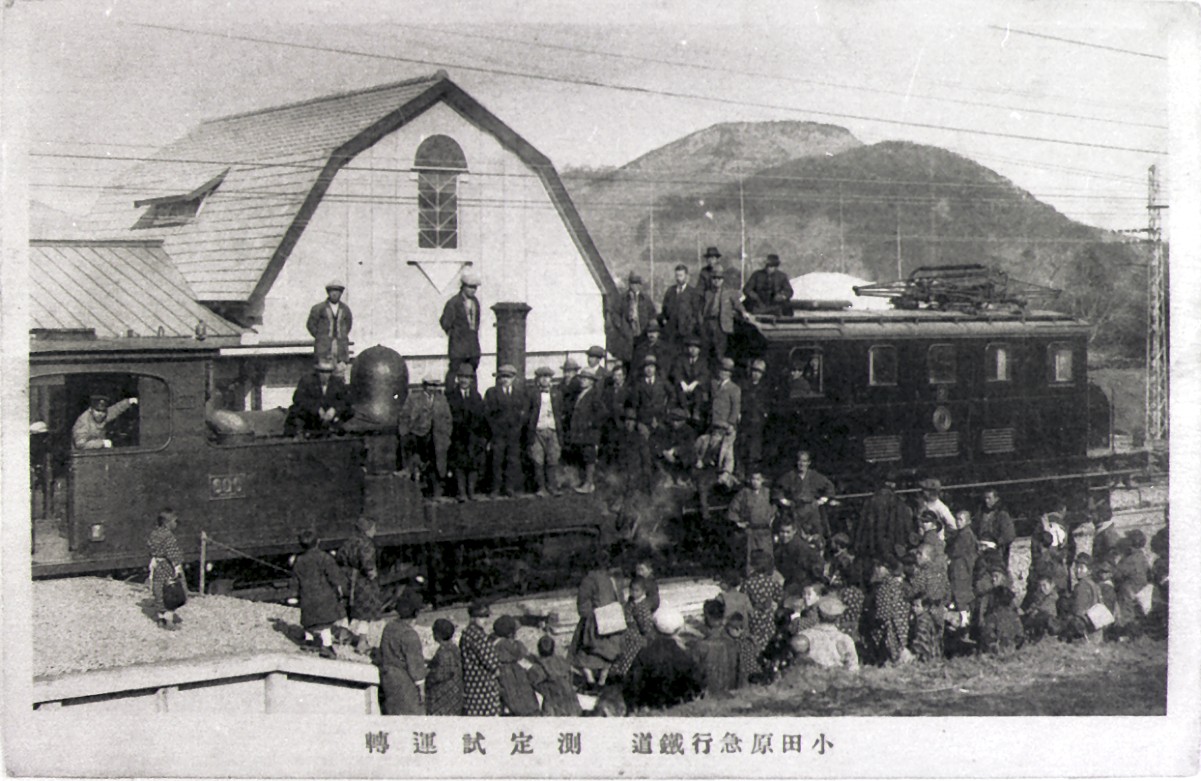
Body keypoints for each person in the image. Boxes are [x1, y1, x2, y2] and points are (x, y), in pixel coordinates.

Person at [621, 607, 702, 712]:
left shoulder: (644, 654)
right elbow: (696, 684)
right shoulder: (684, 655)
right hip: (677, 707)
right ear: (678, 630)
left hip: (649, 706)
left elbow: (632, 685)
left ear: (654, 628)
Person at [291, 528, 348, 659]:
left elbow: (295, 581)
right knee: (325, 624)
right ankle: (327, 646)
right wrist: (341, 589)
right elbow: (335, 577)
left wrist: (296, 594)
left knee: (309, 620)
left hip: (306, 595)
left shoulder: (298, 560)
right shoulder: (324, 557)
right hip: (324, 596)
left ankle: (309, 641)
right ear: (318, 542)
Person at [571, 550, 624, 689]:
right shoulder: (613, 579)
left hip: (594, 621)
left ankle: (590, 681)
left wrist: (588, 616)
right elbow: (621, 599)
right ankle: (602, 681)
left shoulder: (589, 579)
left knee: (583, 651)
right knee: (609, 652)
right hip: (612, 620)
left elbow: (582, 604)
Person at [397, 378, 452, 498]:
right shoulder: (414, 398)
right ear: (424, 386)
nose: (432, 388)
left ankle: (436, 490)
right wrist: (405, 432)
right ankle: (416, 489)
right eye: (429, 385)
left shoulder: (441, 399)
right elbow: (404, 416)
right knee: (418, 461)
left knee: (436, 464)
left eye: (434, 386)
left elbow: (448, 418)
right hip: (418, 436)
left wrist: (446, 434)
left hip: (437, 437)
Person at [377, 590, 427, 715]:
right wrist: (421, 689)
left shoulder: (389, 627)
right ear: (416, 612)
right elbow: (415, 665)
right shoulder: (410, 634)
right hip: (405, 682)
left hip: (388, 679)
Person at [773, 450, 836, 547]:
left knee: (816, 537)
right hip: (795, 510)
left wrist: (823, 499)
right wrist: (784, 500)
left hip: (812, 509)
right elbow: (777, 489)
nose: (801, 464)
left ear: (808, 463)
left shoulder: (815, 476)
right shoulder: (790, 476)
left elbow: (829, 486)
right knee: (796, 536)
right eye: (799, 461)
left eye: (804, 461)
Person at [854, 471, 914, 572]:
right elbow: (908, 529)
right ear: (893, 485)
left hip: (873, 551)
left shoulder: (870, 502)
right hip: (895, 550)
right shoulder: (901, 505)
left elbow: (861, 528)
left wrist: (859, 547)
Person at [695, 357, 741, 488]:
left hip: (726, 425)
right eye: (721, 370)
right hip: (714, 423)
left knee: (726, 448)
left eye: (725, 371)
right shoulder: (714, 384)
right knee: (710, 443)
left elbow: (735, 408)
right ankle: (707, 465)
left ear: (729, 373)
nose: (722, 373)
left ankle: (726, 473)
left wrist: (731, 424)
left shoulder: (734, 388)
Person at [483, 364, 528, 497]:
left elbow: (523, 413)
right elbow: (487, 414)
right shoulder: (491, 392)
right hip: (498, 434)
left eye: (508, 377)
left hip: (514, 434)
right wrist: (494, 430)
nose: (505, 380)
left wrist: (518, 427)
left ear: (513, 378)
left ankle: (510, 487)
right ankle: (495, 488)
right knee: (497, 461)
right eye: (502, 377)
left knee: (512, 460)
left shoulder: (519, 393)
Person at [336, 517, 383, 642]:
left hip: (348, 578)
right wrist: (372, 573)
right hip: (362, 581)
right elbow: (367, 563)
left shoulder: (348, 542)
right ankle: (362, 642)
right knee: (365, 612)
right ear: (367, 530)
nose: (375, 531)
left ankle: (342, 634)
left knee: (347, 608)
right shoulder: (367, 543)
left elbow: (340, 557)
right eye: (373, 528)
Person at [446, 363, 487, 502]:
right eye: (462, 377)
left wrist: (482, 437)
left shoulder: (477, 396)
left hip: (474, 436)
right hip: (457, 436)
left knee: (473, 464)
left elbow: (482, 416)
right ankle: (461, 492)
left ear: (471, 380)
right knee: (459, 464)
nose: (464, 380)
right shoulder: (450, 396)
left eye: (467, 378)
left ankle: (471, 491)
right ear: (457, 378)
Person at [284, 358, 353, 437]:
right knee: (296, 411)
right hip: (311, 417)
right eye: (322, 371)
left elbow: (346, 400)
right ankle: (299, 434)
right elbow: (298, 398)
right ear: (317, 371)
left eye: (328, 372)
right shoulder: (307, 381)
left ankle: (339, 433)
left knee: (350, 412)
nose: (325, 375)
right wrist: (316, 408)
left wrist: (334, 409)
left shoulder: (337, 383)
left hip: (330, 416)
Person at [527, 366, 566, 496]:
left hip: (553, 430)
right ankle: (541, 488)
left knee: (553, 459)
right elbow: (527, 413)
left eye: (547, 377)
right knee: (538, 459)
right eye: (542, 377)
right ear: (538, 379)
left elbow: (561, 412)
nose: (545, 380)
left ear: (551, 379)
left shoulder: (557, 394)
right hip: (537, 431)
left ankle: (552, 487)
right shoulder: (532, 394)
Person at [688, 599, 739, 697]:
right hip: (728, 690)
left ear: (706, 616)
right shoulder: (732, 642)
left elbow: (694, 672)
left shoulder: (701, 646)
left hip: (708, 693)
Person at [727, 471, 775, 573]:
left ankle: (768, 576)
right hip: (751, 530)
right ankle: (751, 577)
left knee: (767, 555)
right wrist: (738, 522)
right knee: (751, 556)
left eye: (758, 479)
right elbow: (733, 508)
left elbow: (775, 507)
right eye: (753, 479)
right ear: (749, 480)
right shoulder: (744, 493)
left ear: (762, 480)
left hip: (765, 530)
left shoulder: (768, 492)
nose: (755, 482)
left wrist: (772, 518)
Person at [461, 599, 502, 716]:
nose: (485, 620)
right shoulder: (478, 636)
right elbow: (491, 662)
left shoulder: (466, 633)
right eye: (482, 617)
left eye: (486, 617)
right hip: (482, 684)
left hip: (470, 681)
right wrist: (497, 669)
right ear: (473, 617)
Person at [794, 595, 859, 670]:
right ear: (839, 617)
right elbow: (853, 668)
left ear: (818, 613)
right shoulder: (845, 640)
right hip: (838, 679)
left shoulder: (805, 636)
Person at [440, 272, 483, 385]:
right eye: (470, 287)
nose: (473, 290)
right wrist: (455, 335)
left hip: (473, 347)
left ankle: (472, 398)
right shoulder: (453, 302)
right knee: (454, 372)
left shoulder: (475, 302)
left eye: (475, 288)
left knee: (472, 374)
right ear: (463, 286)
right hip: (458, 348)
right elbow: (445, 322)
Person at [492, 615, 540, 717]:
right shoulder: (516, 646)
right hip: (517, 676)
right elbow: (526, 658)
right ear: (511, 633)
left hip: (503, 678)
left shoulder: (493, 645)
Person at [700, 266, 747, 367]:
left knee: (720, 352)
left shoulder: (729, 293)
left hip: (721, 325)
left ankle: (720, 374)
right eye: (714, 278)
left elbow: (738, 304)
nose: (716, 281)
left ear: (723, 280)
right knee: (706, 350)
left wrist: (743, 312)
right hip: (708, 323)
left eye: (719, 279)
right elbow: (701, 308)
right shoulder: (707, 293)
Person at [147, 508, 186, 630]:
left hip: (156, 565)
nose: (176, 524)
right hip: (167, 566)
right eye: (175, 521)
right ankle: (169, 621)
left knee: (159, 591)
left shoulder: (154, 534)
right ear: (167, 523)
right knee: (171, 593)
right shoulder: (169, 537)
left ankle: (160, 619)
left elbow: (150, 547)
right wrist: (178, 567)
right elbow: (172, 554)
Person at [569, 368, 606, 494]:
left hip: (589, 433)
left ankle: (589, 484)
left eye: (586, 379)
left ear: (591, 382)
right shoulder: (581, 394)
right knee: (583, 457)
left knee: (589, 457)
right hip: (581, 433)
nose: (582, 381)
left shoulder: (594, 395)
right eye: (582, 378)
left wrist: (591, 423)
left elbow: (602, 413)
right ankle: (585, 482)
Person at [611, 576, 656, 680]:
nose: (633, 592)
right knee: (621, 657)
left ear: (643, 591)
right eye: (631, 590)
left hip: (637, 640)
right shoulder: (631, 602)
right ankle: (619, 676)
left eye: (637, 590)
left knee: (630, 660)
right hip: (626, 636)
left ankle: (627, 678)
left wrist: (646, 637)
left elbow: (646, 626)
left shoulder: (642, 607)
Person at [742, 549, 784, 660]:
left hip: (754, 614)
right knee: (769, 638)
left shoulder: (748, 582)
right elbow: (779, 597)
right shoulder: (771, 582)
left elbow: (744, 598)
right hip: (769, 614)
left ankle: (756, 659)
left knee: (755, 638)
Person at [610, 272, 657, 370]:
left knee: (641, 357)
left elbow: (652, 313)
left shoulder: (645, 299)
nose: (634, 286)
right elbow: (615, 313)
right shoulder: (623, 298)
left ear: (640, 285)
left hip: (642, 334)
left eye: (637, 284)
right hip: (627, 335)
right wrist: (621, 326)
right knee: (628, 360)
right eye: (632, 284)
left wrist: (650, 328)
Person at [867, 556, 909, 666]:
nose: (875, 569)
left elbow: (883, 615)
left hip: (888, 631)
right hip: (899, 628)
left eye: (878, 567)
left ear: (885, 569)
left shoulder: (884, 587)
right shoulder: (896, 585)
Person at [528, 636, 582, 716]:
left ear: (539, 649)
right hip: (573, 702)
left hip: (553, 704)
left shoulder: (538, 667)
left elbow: (531, 681)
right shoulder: (562, 661)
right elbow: (570, 677)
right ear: (553, 649)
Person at [306, 279, 353, 370]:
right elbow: (311, 324)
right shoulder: (318, 308)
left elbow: (348, 325)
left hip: (340, 346)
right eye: (332, 291)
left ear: (341, 293)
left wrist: (342, 335)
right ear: (328, 292)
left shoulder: (345, 309)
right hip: (323, 347)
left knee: (340, 372)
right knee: (324, 372)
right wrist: (320, 336)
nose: (334, 294)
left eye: (337, 291)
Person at [736, 358, 770, 480]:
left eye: (759, 372)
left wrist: (764, 412)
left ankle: (752, 474)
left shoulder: (765, 387)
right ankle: (740, 473)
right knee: (742, 445)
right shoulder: (743, 384)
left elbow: (767, 403)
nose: (756, 374)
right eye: (754, 371)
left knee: (754, 449)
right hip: (744, 419)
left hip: (757, 421)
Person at [425, 618, 464, 715]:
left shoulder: (443, 652)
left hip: (443, 696)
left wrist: (428, 677)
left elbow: (441, 674)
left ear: (437, 634)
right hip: (455, 693)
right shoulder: (454, 648)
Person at [668, 336, 710, 428]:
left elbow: (704, 374)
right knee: (679, 390)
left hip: (696, 386)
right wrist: (682, 382)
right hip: (683, 385)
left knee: (699, 391)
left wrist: (695, 383)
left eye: (695, 348)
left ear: (699, 350)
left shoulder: (703, 361)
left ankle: (696, 411)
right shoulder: (681, 359)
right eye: (691, 347)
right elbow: (676, 371)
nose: (693, 350)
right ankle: (685, 410)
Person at [73, 393, 138, 450]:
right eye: (97, 411)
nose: (100, 414)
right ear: (91, 410)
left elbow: (115, 409)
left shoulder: (104, 415)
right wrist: (102, 443)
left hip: (97, 451)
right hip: (82, 456)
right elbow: (80, 444)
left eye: (103, 411)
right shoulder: (83, 421)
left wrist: (128, 401)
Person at [773, 518, 823, 592]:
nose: (784, 535)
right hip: (791, 582)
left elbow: (815, 566)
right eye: (782, 532)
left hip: (804, 584)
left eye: (788, 532)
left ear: (794, 531)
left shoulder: (801, 548)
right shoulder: (780, 548)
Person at [652, 407, 698, 485]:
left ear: (684, 421)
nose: (675, 423)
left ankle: (684, 478)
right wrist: (664, 452)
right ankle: (666, 476)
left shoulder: (689, 431)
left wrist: (674, 451)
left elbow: (688, 446)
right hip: (665, 458)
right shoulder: (664, 429)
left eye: (678, 420)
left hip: (680, 459)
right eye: (673, 420)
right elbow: (655, 442)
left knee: (691, 456)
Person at [660, 263, 702, 348]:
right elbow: (664, 310)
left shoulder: (692, 292)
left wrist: (690, 327)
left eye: (680, 275)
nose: (678, 278)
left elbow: (696, 312)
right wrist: (665, 322)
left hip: (686, 332)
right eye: (676, 275)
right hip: (671, 332)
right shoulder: (670, 291)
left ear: (686, 276)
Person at [974, 488, 1016, 568]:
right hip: (981, 549)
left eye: (989, 498)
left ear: (996, 499)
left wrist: (997, 543)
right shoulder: (980, 514)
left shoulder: (1002, 515)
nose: (987, 501)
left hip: (997, 551)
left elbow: (1009, 535)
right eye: (985, 498)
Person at [631, 355, 670, 437]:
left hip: (660, 417)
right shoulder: (638, 383)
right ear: (643, 369)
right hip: (644, 419)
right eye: (646, 367)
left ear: (655, 368)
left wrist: (667, 407)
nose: (649, 370)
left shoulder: (662, 382)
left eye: (652, 367)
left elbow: (673, 394)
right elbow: (635, 403)